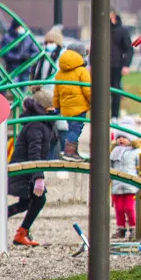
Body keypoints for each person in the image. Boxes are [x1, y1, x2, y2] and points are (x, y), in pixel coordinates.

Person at [7, 93, 59, 246]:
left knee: (26, 202)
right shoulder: (36, 125)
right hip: (24, 170)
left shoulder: (42, 123)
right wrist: (38, 176)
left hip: (27, 169)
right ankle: (20, 232)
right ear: (44, 108)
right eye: (51, 107)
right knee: (38, 199)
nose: (54, 110)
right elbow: (34, 152)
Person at [45, 29, 90, 158]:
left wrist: (57, 107)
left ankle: (71, 151)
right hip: (79, 107)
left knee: (71, 128)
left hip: (66, 108)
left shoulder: (60, 72)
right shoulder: (82, 71)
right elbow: (88, 90)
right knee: (76, 129)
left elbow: (56, 92)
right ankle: (69, 152)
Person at [110, 133, 141, 239]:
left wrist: (140, 180)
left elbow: (140, 167)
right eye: (118, 138)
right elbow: (109, 166)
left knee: (129, 208)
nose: (121, 140)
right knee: (119, 209)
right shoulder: (114, 152)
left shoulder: (136, 152)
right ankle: (121, 228)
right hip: (117, 185)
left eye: (124, 137)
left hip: (130, 185)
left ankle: (133, 227)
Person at [109, 10, 135, 79]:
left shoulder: (122, 31)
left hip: (117, 66)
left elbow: (129, 49)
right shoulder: (102, 30)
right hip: (103, 65)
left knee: (115, 86)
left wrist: (126, 65)